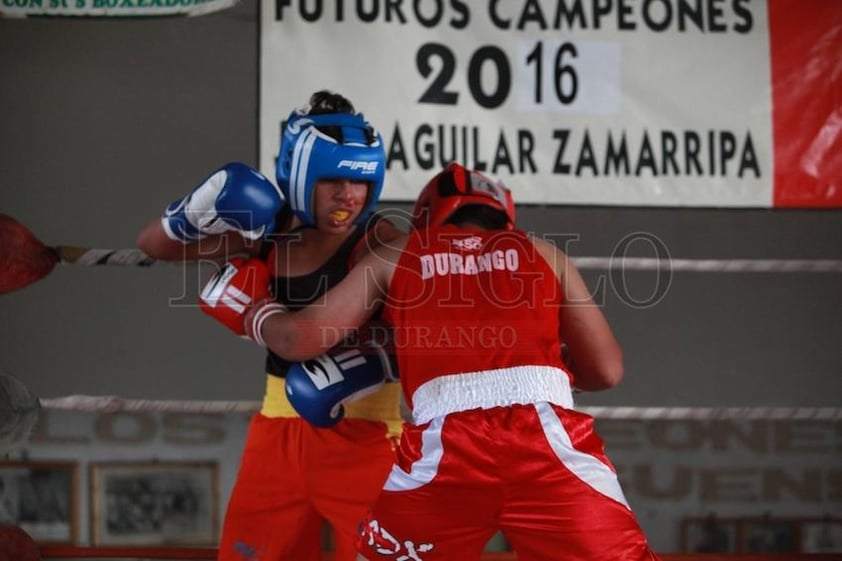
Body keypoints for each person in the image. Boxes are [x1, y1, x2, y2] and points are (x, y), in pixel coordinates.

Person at [201, 162, 661, 560]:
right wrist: (536, 366)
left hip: (446, 444)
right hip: (550, 437)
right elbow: (607, 371)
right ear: (505, 216)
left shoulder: (398, 253)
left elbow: (299, 338)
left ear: (425, 219)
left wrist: (252, 310)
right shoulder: (545, 254)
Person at [137, 90, 404, 561]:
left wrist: (251, 312)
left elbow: (296, 339)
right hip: (275, 433)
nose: (349, 195)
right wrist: (190, 213)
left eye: (359, 182)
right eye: (333, 181)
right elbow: (156, 248)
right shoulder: (267, 230)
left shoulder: (381, 242)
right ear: (300, 177)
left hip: (365, 434)